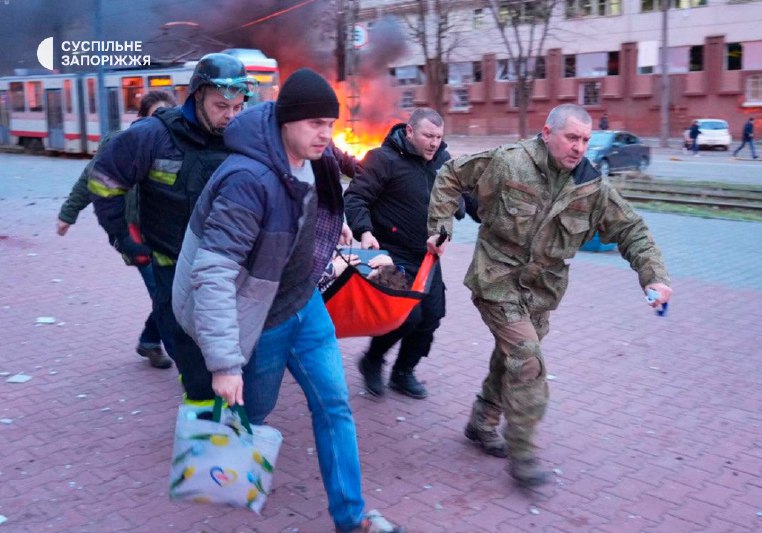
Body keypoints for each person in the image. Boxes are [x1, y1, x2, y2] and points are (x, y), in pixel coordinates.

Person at [171, 68, 403, 533]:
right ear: (285, 122)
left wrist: (333, 223)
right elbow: (212, 273)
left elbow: (317, 197)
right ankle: (213, 457)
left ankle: (352, 519)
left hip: (304, 302)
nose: (326, 134)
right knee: (249, 410)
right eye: (315, 123)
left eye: (330, 124)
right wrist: (223, 364)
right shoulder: (245, 179)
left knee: (334, 403)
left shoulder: (314, 156)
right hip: (261, 313)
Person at [425, 103, 672, 486]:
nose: (579, 147)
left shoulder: (592, 188)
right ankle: (522, 454)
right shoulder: (510, 163)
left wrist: (652, 276)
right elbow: (450, 174)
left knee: (510, 358)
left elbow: (632, 231)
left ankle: (481, 422)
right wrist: (441, 226)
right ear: (547, 133)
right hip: (497, 279)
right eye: (572, 137)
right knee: (527, 360)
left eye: (586, 140)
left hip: (542, 294)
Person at [90, 53, 253, 400]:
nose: (231, 117)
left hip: (227, 274)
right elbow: (104, 180)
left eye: (238, 108)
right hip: (172, 271)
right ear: (196, 96)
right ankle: (201, 426)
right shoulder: (152, 136)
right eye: (221, 106)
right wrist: (122, 236)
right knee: (195, 370)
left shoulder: (244, 138)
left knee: (233, 361)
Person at [57, 90, 177, 369]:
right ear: (142, 117)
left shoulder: (176, 145)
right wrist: (68, 213)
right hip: (135, 235)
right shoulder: (122, 143)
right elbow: (91, 178)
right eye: (156, 114)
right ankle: (187, 368)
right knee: (165, 297)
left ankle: (149, 341)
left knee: (168, 294)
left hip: (168, 234)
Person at [344, 107, 450, 400]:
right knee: (407, 316)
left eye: (439, 137)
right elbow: (355, 198)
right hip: (389, 255)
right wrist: (364, 232)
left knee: (431, 317)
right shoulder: (382, 160)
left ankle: (404, 372)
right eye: (428, 135)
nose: (434, 143)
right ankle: (372, 359)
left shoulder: (443, 161)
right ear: (410, 132)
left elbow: (461, 196)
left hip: (428, 257)